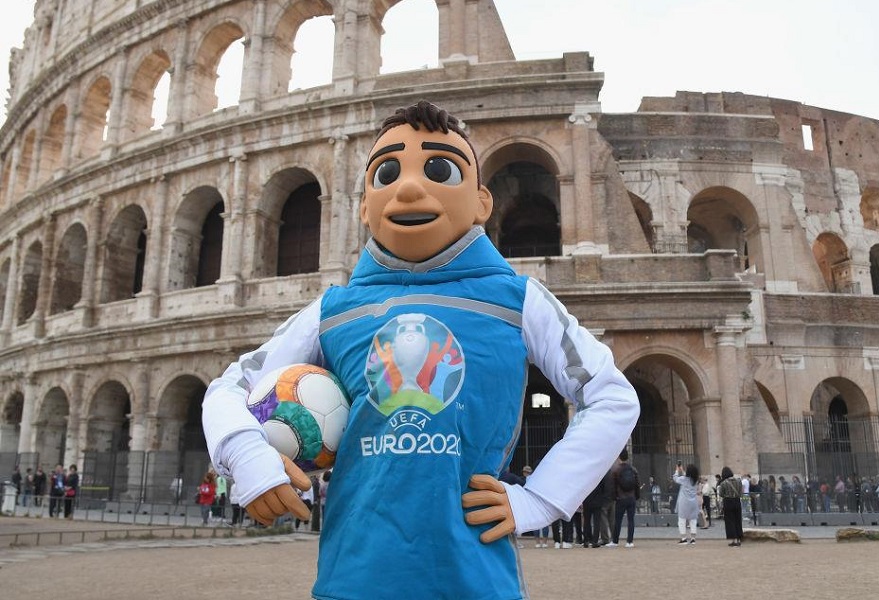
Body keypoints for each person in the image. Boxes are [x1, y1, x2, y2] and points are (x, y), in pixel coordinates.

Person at [202, 100, 640, 599]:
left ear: (481, 202)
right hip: (353, 581)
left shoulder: (518, 300)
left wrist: (541, 498)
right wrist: (245, 452)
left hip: (473, 581)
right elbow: (229, 388)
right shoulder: (332, 311)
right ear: (364, 207)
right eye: (387, 173)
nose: (409, 188)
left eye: (439, 169)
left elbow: (612, 396)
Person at [610, 448, 640, 548]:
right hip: (631, 497)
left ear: (619, 457)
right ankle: (630, 541)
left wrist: (615, 497)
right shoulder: (633, 469)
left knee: (618, 520)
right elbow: (637, 484)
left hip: (621, 498)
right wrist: (637, 496)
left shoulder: (616, 470)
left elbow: (613, 486)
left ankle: (615, 541)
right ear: (627, 457)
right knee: (631, 520)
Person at [673, 463, 700, 544]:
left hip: (684, 502)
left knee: (682, 520)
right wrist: (682, 470)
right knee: (693, 520)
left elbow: (675, 478)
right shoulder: (696, 480)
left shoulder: (684, 479)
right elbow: (689, 477)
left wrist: (677, 470)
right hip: (694, 503)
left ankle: (684, 538)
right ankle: (693, 539)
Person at [718, 466, 743, 547]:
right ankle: (739, 539)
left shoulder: (724, 483)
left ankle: (734, 540)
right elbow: (741, 493)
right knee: (738, 520)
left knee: (730, 521)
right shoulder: (739, 481)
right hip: (737, 501)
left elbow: (721, 494)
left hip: (728, 502)